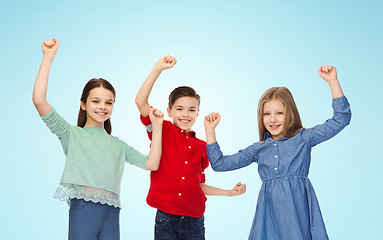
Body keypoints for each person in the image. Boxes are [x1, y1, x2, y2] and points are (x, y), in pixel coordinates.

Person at [32, 38, 164, 240]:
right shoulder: (71, 134)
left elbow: (152, 164)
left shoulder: (118, 145)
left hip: (111, 214)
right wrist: (48, 58)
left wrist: (157, 126)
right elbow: (39, 100)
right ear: (83, 104)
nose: (103, 106)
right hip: (83, 210)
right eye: (96, 101)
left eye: (108, 102)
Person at [204, 65, 351, 240]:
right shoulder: (258, 148)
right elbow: (220, 164)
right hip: (269, 215)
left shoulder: (304, 138)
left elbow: (341, 119)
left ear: (290, 113)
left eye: (279, 113)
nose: (273, 119)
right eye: (267, 114)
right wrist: (210, 130)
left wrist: (332, 81)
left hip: (299, 212)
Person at [135, 55, 247, 240]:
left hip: (195, 221)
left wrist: (229, 193)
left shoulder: (202, 147)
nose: (185, 114)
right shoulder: (161, 129)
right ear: (170, 111)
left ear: (197, 113)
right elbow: (140, 102)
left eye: (191, 110)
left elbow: (198, 185)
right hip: (166, 219)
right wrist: (158, 69)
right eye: (179, 109)